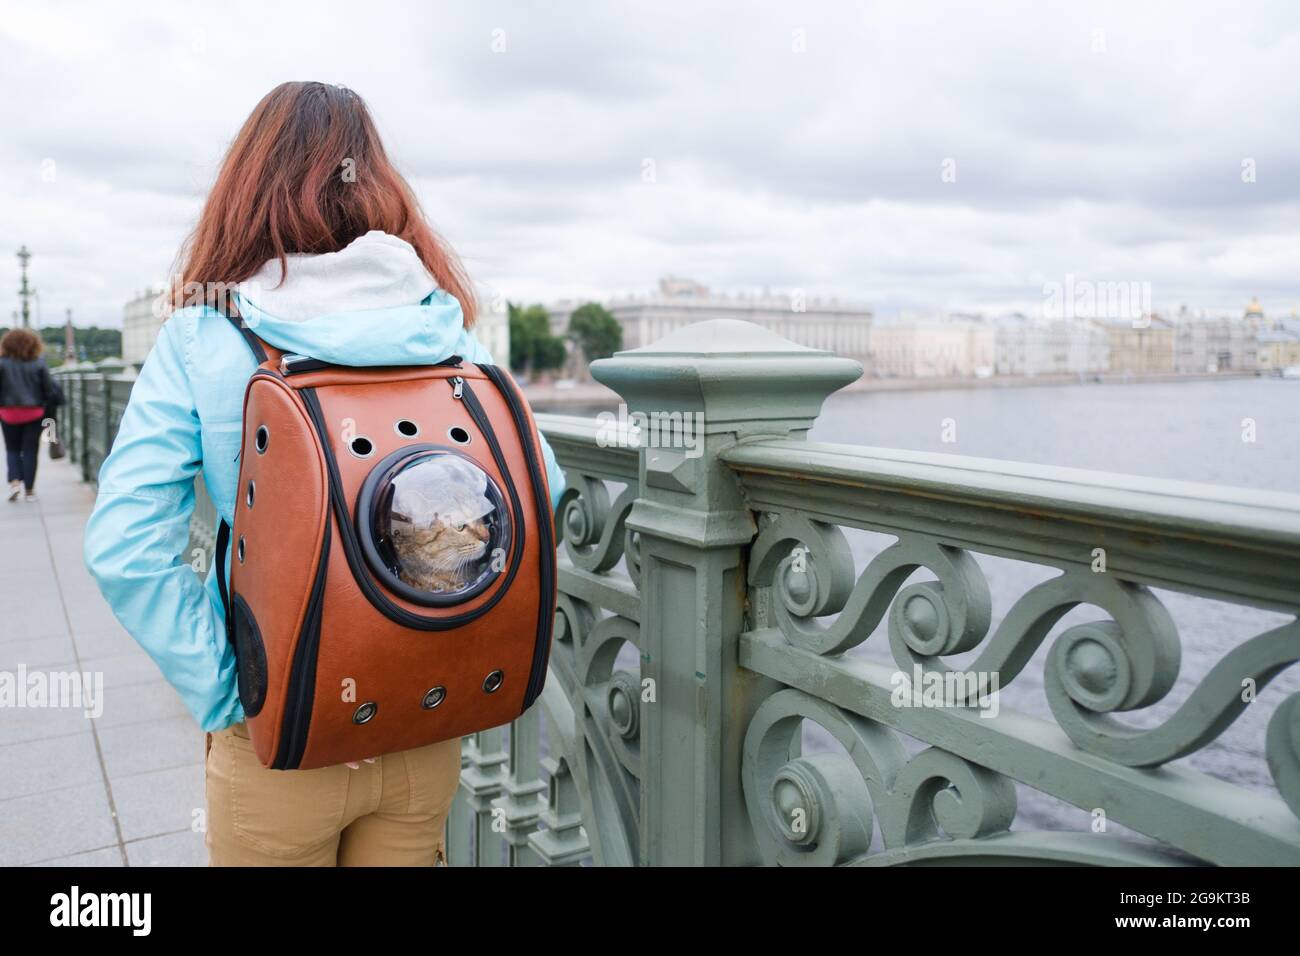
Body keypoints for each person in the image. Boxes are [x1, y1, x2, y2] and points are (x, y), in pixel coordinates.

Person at [83, 82, 565, 866]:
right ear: (375, 183)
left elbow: (126, 547)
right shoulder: (440, 328)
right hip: (424, 717)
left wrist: (237, 694)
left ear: (246, 189)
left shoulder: (210, 335)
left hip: (287, 735)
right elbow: (539, 493)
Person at [1, 327, 62, 502]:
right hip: (33, 412)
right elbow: (49, 390)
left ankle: (14, 483)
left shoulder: (2, 363)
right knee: (30, 451)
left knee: (12, 449)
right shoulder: (38, 362)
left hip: (8, 413)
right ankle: (29, 491)